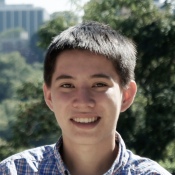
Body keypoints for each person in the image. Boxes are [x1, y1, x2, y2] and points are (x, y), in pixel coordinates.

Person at [0, 21, 171, 175]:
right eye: (67, 85)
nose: (83, 101)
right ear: (49, 96)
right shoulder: (14, 171)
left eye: (99, 85)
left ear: (126, 95)